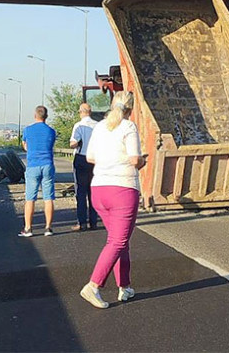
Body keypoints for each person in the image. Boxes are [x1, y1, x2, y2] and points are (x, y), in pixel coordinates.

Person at [80, 91, 146, 309]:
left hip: (99, 189)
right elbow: (135, 159)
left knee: (119, 241)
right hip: (122, 190)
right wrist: (143, 161)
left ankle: (124, 286)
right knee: (118, 241)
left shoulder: (100, 127)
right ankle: (93, 285)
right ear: (131, 109)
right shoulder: (128, 127)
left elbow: (90, 157)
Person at [18, 105, 57, 237]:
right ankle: (48, 228)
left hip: (33, 165)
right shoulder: (51, 131)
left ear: (35, 116)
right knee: (48, 198)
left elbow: (25, 146)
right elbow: (50, 145)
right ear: (46, 116)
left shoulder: (28, 130)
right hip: (47, 165)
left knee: (30, 198)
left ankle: (28, 228)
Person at [70, 103, 98, 232]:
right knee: (93, 191)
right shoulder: (98, 125)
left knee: (80, 191)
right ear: (90, 112)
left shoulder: (79, 125)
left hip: (81, 158)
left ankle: (82, 222)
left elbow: (73, 143)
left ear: (80, 112)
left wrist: (75, 144)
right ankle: (93, 221)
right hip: (95, 160)